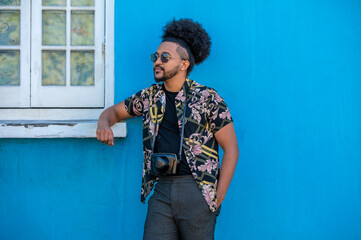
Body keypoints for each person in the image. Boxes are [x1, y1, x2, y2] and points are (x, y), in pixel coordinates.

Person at [96, 18, 239, 240]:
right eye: (155, 57)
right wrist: (103, 123)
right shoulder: (149, 97)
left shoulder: (207, 98)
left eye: (165, 57)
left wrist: (216, 199)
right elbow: (113, 113)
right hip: (162, 191)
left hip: (197, 191)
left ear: (184, 64)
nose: (157, 62)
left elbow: (231, 149)